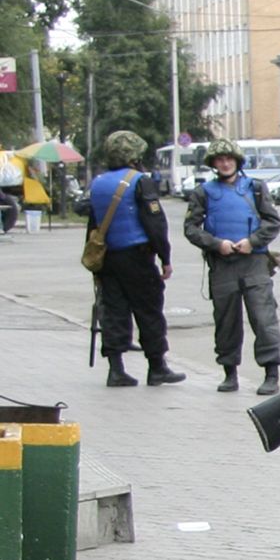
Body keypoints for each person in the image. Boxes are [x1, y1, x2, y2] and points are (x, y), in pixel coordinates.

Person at [184, 138, 280, 394]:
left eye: (229, 159)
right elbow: (191, 228)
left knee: (264, 319)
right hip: (223, 265)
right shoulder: (203, 193)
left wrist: (252, 242)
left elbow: (272, 222)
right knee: (226, 321)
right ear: (213, 164)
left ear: (237, 162)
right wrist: (217, 244)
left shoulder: (256, 188)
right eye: (220, 159)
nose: (225, 163)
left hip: (254, 263)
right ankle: (230, 373)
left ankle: (271, 373)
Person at [88, 130, 185, 388]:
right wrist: (165, 257)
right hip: (138, 258)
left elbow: (93, 225)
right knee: (149, 311)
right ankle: (157, 368)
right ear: (134, 155)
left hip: (108, 258)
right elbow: (155, 224)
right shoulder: (140, 181)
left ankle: (116, 370)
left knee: (114, 311)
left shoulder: (97, 183)